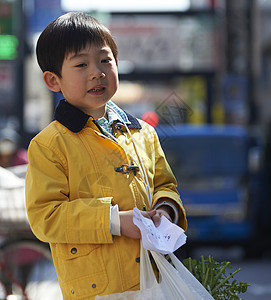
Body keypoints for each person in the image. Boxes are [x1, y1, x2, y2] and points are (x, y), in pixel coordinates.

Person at [25, 12, 187, 300]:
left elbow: (166, 186)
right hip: (96, 289)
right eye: (81, 64)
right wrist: (114, 220)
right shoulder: (49, 145)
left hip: (152, 280)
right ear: (53, 80)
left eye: (105, 60)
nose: (97, 72)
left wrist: (165, 211)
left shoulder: (143, 133)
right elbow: (45, 217)